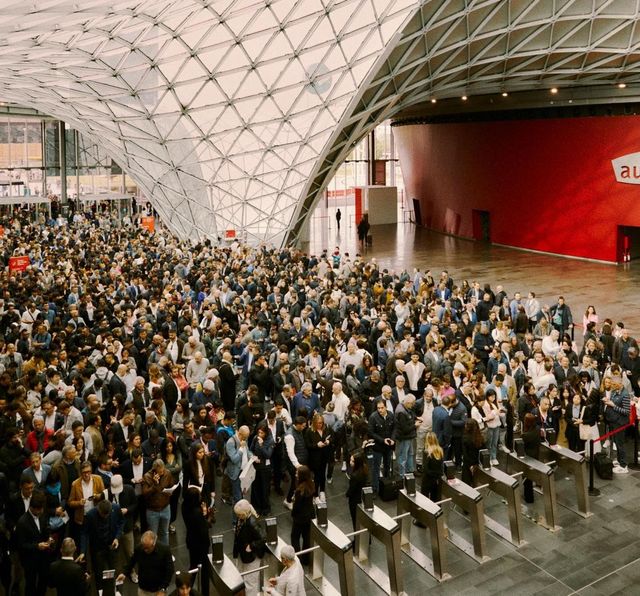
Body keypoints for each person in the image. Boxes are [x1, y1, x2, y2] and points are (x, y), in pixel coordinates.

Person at [14, 491, 53, 596]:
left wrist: (49, 537)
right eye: (39, 509)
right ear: (32, 508)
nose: (42, 511)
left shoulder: (42, 513)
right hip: (30, 560)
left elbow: (46, 526)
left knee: (43, 582)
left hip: (43, 558)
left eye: (42, 509)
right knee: (30, 585)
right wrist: (37, 546)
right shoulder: (22, 522)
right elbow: (21, 545)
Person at [85, 498, 124, 594]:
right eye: (103, 515)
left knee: (114, 568)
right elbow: (84, 533)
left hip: (112, 545)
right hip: (97, 548)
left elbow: (121, 522)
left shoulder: (116, 508)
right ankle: (100, 590)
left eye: (107, 515)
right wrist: (82, 551)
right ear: (98, 510)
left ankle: (115, 589)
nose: (105, 517)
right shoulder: (90, 515)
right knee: (99, 571)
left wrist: (117, 538)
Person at [118, 530, 175, 594]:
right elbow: (132, 561)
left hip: (159, 590)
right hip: (143, 589)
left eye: (147, 548)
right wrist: (124, 573)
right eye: (144, 547)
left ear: (154, 544)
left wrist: (163, 588)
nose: (145, 550)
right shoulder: (139, 548)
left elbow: (170, 570)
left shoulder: (164, 550)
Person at [181, 487, 211, 596]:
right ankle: (205, 593)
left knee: (193, 566)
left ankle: (187, 588)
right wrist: (206, 515)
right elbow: (204, 528)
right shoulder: (197, 513)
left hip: (191, 540)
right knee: (205, 570)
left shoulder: (184, 506)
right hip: (201, 544)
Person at [232, 499, 266, 595]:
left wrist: (251, 546)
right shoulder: (242, 518)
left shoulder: (252, 523)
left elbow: (263, 538)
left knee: (250, 582)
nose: (237, 516)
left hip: (252, 557)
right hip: (243, 554)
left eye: (239, 514)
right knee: (241, 577)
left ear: (244, 513)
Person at [142, 458, 175, 545]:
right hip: (152, 511)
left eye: (163, 470)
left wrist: (171, 491)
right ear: (154, 470)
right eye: (160, 472)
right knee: (153, 535)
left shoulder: (167, 473)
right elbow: (145, 494)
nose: (162, 473)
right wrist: (154, 484)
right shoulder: (147, 476)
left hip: (165, 508)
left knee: (165, 533)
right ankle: (155, 552)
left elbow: (171, 485)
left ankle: (166, 551)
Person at [290, 465, 315, 566]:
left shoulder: (299, 491)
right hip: (309, 515)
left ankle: (297, 558)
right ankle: (306, 559)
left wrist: (293, 514)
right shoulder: (311, 484)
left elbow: (297, 507)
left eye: (297, 473)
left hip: (300, 518)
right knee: (306, 537)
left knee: (295, 537)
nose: (296, 475)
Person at [521, 413, 542, 521]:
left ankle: (529, 498)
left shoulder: (526, 435)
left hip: (527, 458)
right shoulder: (537, 429)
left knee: (527, 479)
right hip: (536, 455)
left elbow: (521, 447)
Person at [345, 451, 369, 531]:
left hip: (355, 501)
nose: (350, 462)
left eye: (352, 461)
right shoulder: (364, 469)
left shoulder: (354, 476)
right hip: (362, 498)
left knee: (355, 520)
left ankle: (357, 536)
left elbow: (351, 490)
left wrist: (347, 494)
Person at [461, 418, 485, 486]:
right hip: (477, 463)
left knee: (466, 483)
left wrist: (470, 465)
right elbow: (483, 451)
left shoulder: (465, 438)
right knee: (475, 481)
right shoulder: (480, 437)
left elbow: (465, 453)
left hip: (467, 464)